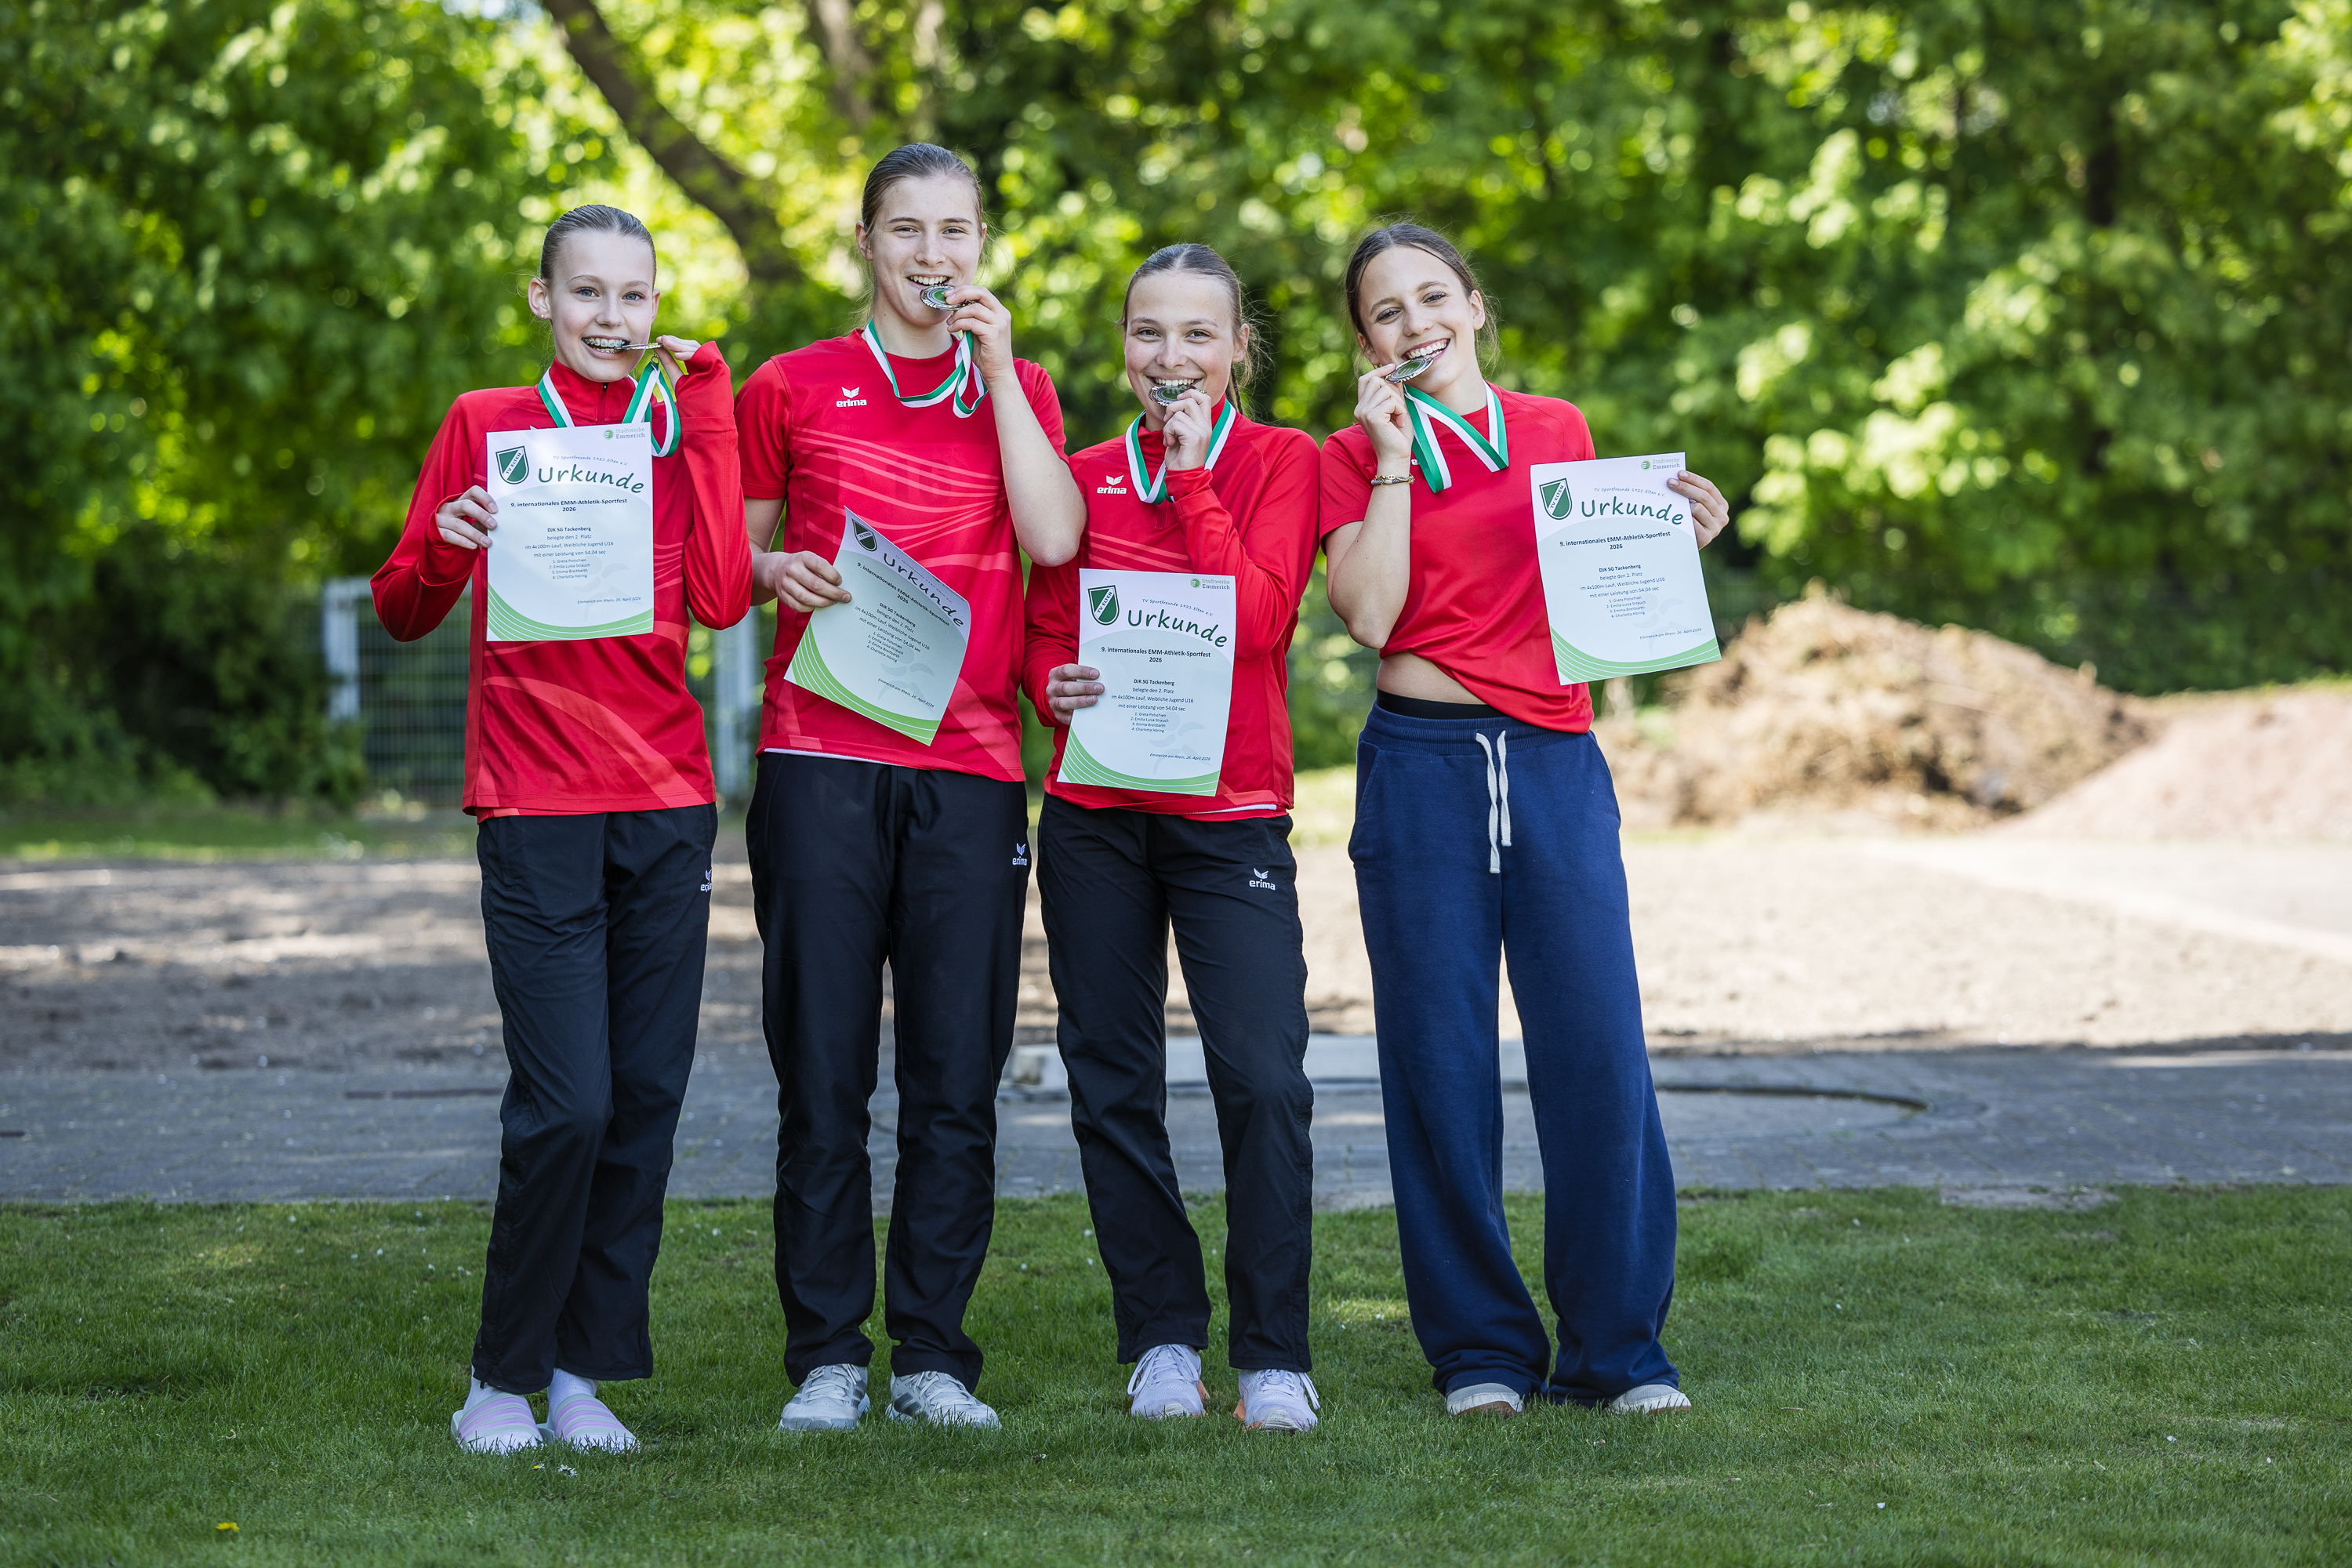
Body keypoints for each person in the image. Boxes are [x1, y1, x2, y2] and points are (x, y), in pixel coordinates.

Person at [1318, 223, 1733, 1420]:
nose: (1416, 324)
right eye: (1387, 311)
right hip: (1423, 766)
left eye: (1432, 297)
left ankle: (1619, 1351)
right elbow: (1370, 615)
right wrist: (1393, 461)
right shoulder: (1351, 455)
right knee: (1438, 1064)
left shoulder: (1557, 430)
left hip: (1554, 761)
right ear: (1367, 343)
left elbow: (1598, 602)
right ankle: (1482, 1352)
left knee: (1599, 1054)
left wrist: (1673, 545)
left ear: (1475, 307)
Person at [372, 203, 752, 1454]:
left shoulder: (674, 426)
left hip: (667, 806)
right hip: (535, 802)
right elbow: (402, 607)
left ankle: (585, 1375)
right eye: (586, 292)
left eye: (633, 296)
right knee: (568, 1104)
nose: (610, 317)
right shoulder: (485, 423)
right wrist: (446, 543)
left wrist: (709, 412)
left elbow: (722, 597)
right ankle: (499, 1379)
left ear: (655, 308)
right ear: (543, 299)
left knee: (643, 1101)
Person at [735, 143, 1085, 1432]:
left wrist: (999, 373)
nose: (932, 256)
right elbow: (731, 558)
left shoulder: (1021, 386)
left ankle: (933, 1357)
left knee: (955, 1077)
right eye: (906, 230)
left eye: (954, 231)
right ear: (866, 243)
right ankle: (828, 1356)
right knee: (824, 1075)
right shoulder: (789, 385)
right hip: (820, 761)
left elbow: (1054, 538)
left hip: (972, 769)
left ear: (980, 245)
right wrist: (775, 574)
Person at [1024, 245, 1323, 1431]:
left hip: (1229, 815)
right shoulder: (1085, 474)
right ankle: (1159, 1337)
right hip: (1096, 819)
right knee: (1113, 1081)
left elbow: (1259, 620)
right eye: (1150, 332)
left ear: (1238, 346)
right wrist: (1050, 684)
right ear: (1124, 346)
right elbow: (1044, 628)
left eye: (1199, 334)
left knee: (1264, 1078)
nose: (1173, 357)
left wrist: (1194, 479)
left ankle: (1273, 1355)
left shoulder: (1283, 462)